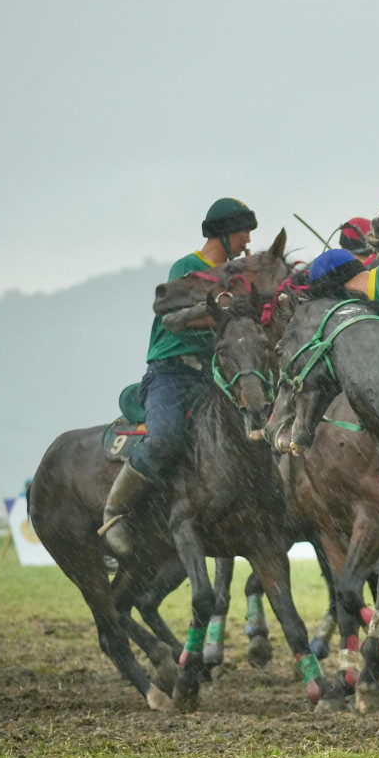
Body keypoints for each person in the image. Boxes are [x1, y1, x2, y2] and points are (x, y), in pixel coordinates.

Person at [100, 198, 258, 556]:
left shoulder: (235, 277)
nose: (247, 240)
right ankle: (115, 512)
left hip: (211, 376)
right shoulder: (186, 268)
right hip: (169, 373)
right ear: (223, 232)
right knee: (165, 437)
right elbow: (182, 320)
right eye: (243, 231)